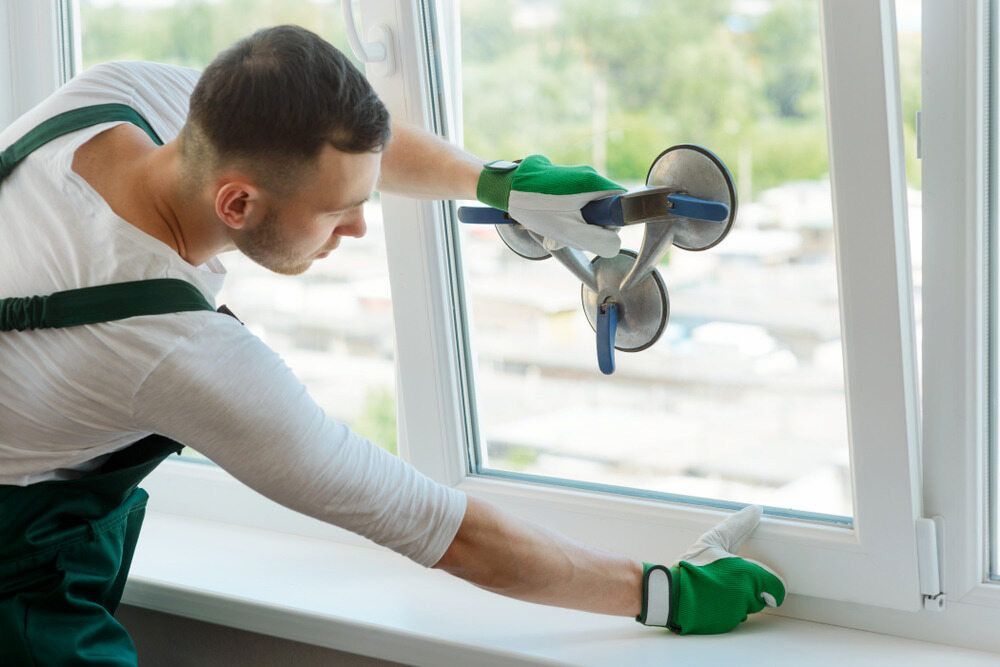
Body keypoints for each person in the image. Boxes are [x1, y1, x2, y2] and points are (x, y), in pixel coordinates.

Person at [0, 24, 785, 664]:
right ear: (237, 202)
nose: (358, 227)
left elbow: (335, 140)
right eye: (337, 211)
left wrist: (498, 183)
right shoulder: (171, 350)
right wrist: (660, 590)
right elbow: (446, 530)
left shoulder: (118, 97)